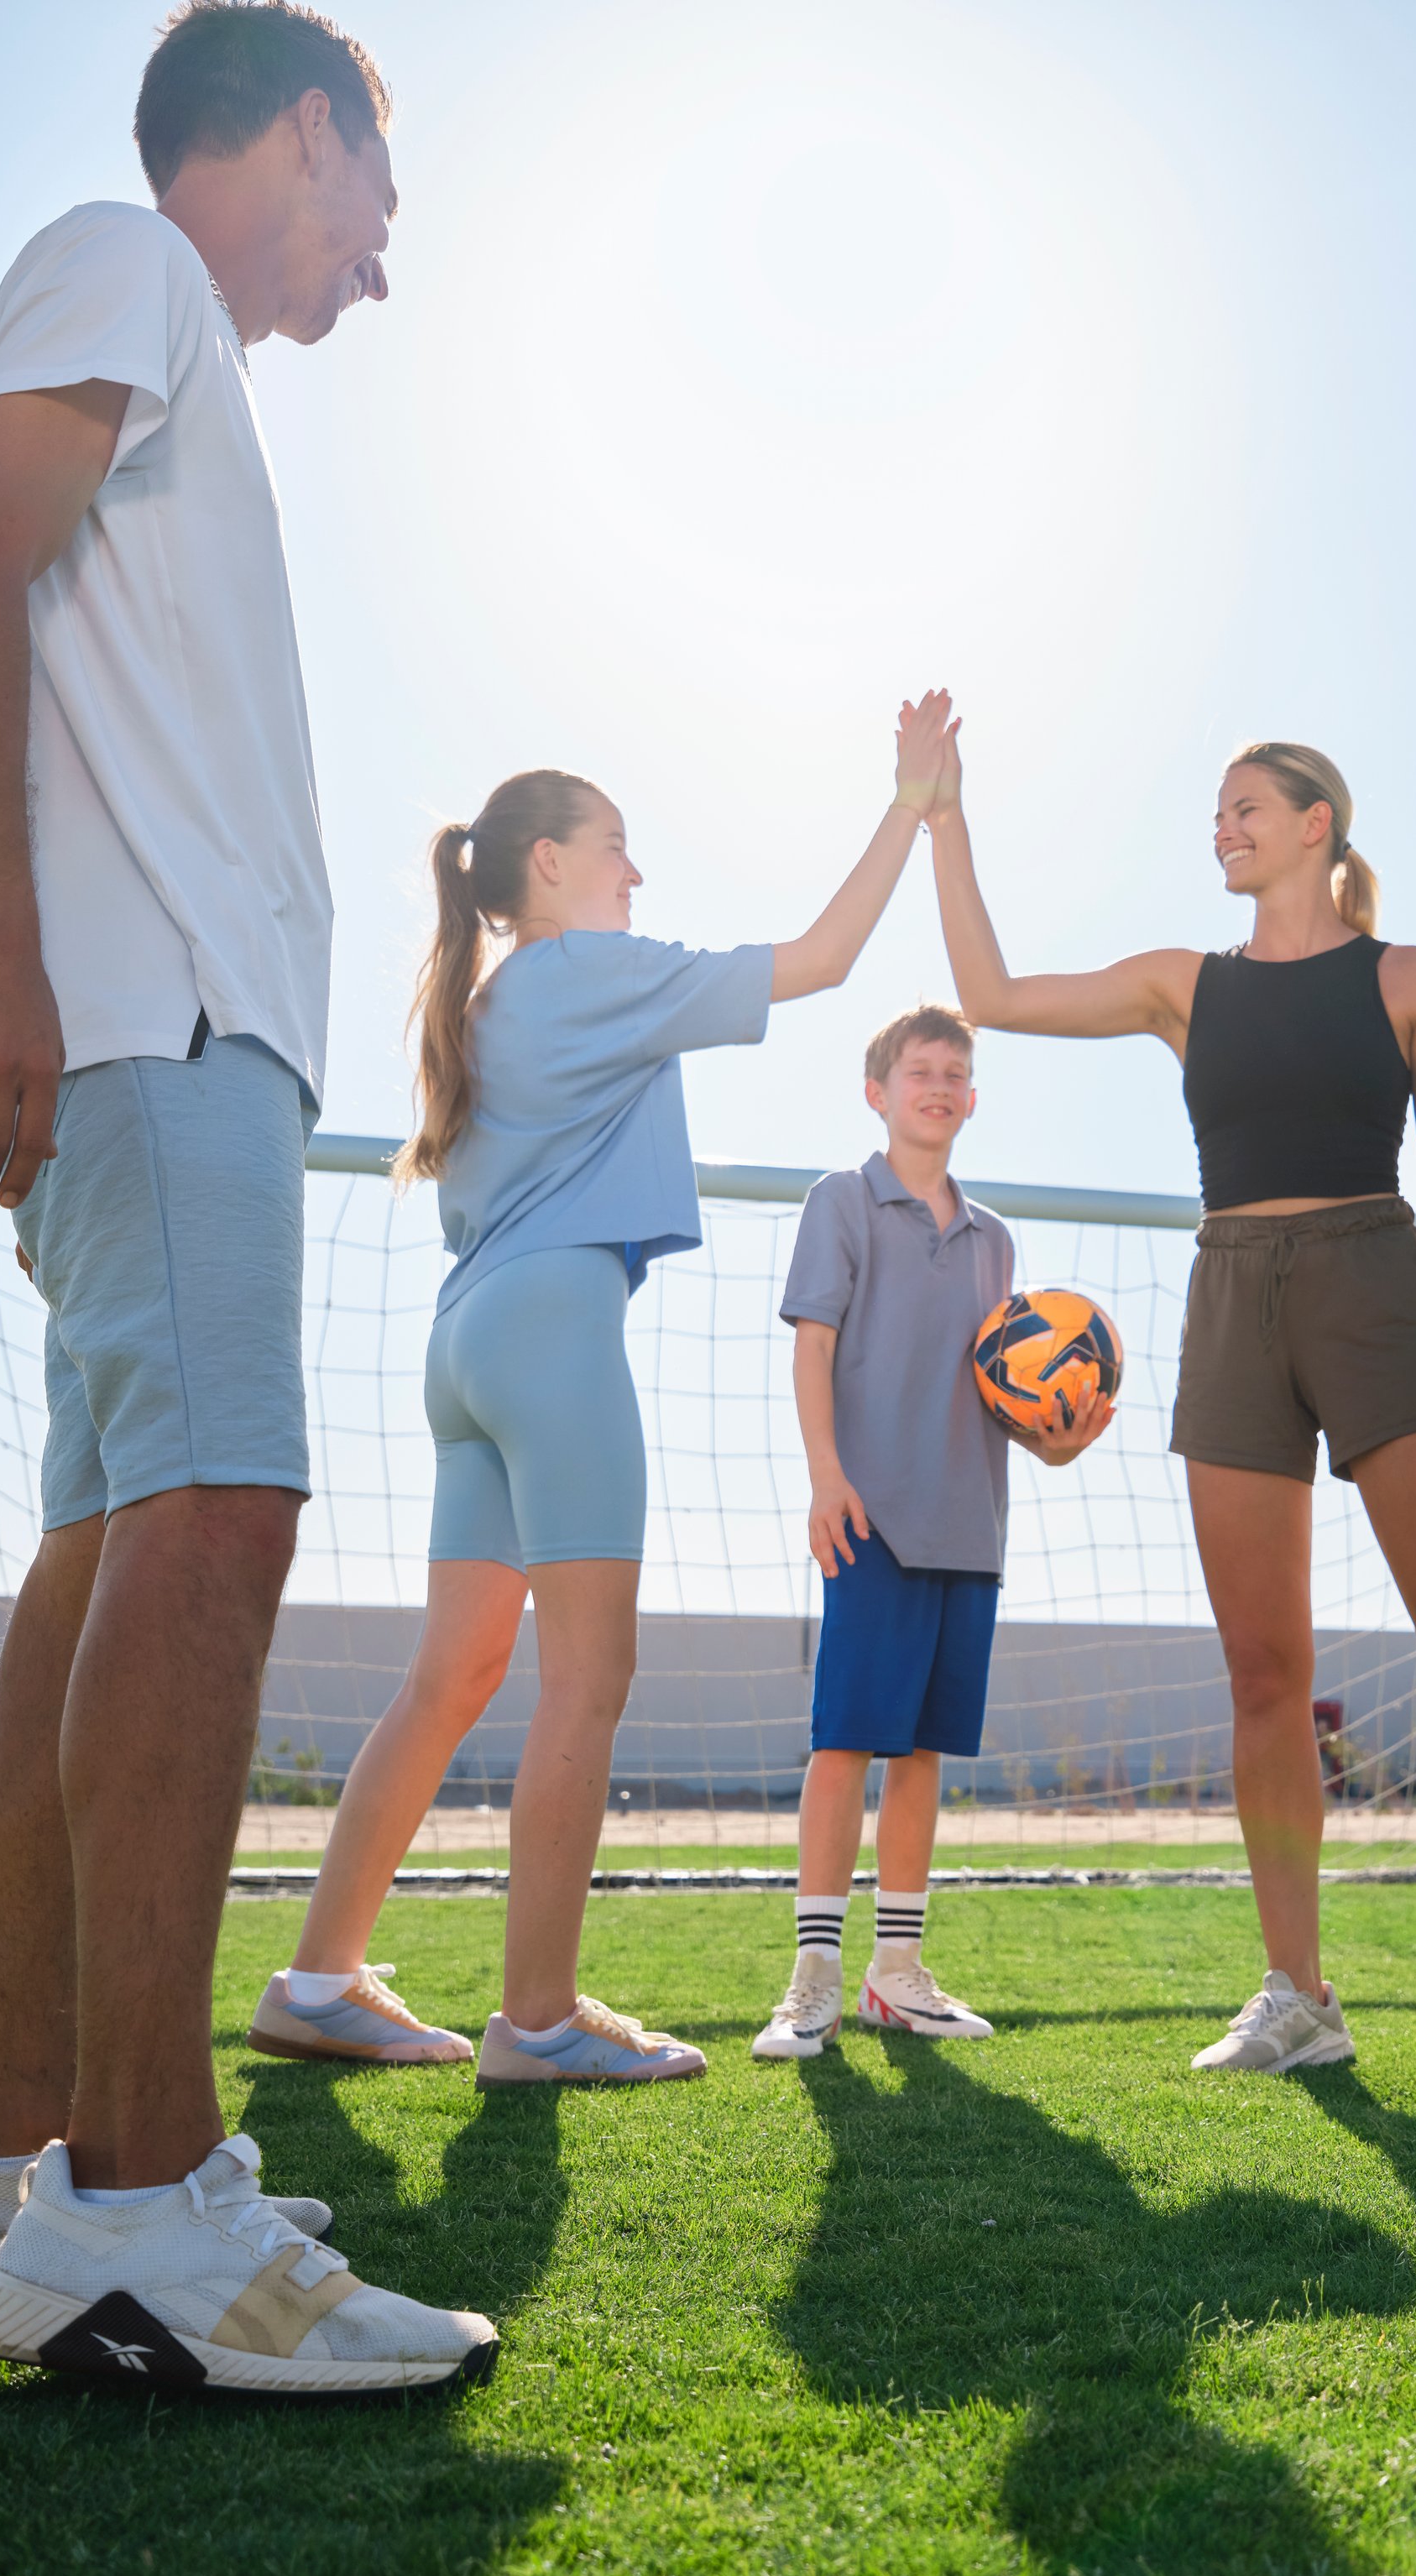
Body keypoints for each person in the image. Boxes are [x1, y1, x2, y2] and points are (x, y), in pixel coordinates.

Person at [0, 6, 499, 2391]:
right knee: (217, 1517)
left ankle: (0, 2152)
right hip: (152, 1023)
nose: (380, 257)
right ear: (305, 132)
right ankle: (137, 2201)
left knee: (109, 1540)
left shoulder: (168, 354)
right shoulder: (126, 260)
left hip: (167, 1026)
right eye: (376, 199)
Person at [930, 731, 1416, 2082]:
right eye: (1215, 813)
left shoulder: (1412, 980)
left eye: (1247, 809)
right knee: (1264, 1674)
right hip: (1233, 1300)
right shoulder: (1180, 986)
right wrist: (944, 816)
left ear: (1319, 823)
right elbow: (988, 990)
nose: (1222, 830)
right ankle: (1297, 1994)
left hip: (1377, 1285)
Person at [247, 698, 959, 2085]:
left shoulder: (493, 995)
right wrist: (911, 802)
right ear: (552, 868)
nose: (636, 874)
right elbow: (819, 960)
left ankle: (318, 1979)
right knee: (590, 1676)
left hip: (464, 1349)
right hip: (555, 1333)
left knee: (452, 1673)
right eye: (615, 848)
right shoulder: (587, 968)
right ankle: (539, 2016)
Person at [750, 1005, 1113, 2061]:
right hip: (871, 1514)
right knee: (844, 1743)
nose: (940, 1087)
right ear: (879, 1091)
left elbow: (1006, 1393)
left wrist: (1055, 1444)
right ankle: (812, 1978)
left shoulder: (996, 1241)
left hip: (971, 1524)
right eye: (921, 1071)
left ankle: (895, 1975)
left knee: (922, 1755)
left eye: (957, 1073)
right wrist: (825, 1476)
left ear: (971, 1095)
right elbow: (811, 1350)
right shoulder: (842, 1203)